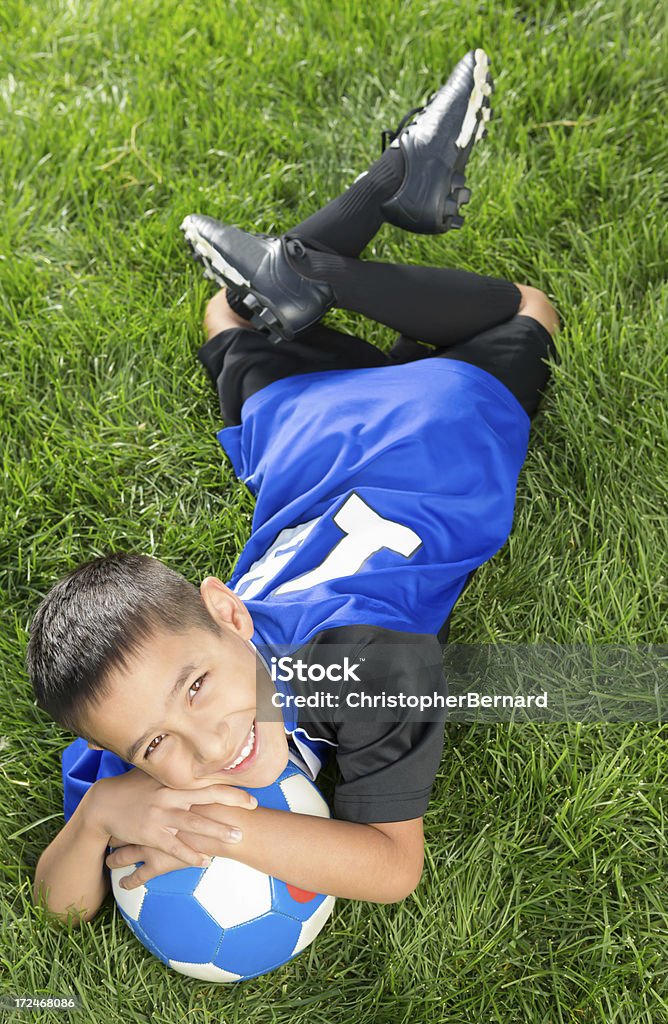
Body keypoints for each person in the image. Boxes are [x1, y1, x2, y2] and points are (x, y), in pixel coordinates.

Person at [28, 49, 560, 925]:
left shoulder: (366, 669)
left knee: (528, 310)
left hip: (437, 438)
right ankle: (334, 244)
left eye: (196, 689)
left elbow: (392, 866)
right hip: (309, 440)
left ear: (230, 612)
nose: (205, 751)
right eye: (155, 746)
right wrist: (96, 819)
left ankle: (331, 262)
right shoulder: (141, 702)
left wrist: (222, 830)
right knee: (227, 316)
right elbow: (60, 905)